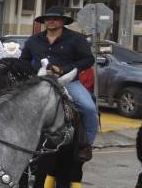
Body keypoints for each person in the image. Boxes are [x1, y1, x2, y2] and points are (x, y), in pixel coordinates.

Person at [21, 8, 99, 146]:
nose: (51, 21)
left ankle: (87, 145)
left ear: (63, 21)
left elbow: (88, 59)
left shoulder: (76, 38)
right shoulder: (34, 40)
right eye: (48, 19)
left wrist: (64, 69)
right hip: (39, 81)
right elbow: (24, 61)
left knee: (89, 108)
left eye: (55, 18)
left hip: (68, 82)